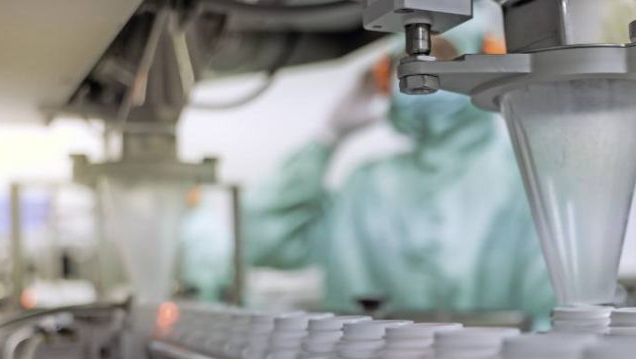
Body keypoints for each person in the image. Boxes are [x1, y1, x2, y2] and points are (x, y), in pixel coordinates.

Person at [185, 18, 555, 319]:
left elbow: (554, 316)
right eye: (408, 65)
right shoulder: (366, 187)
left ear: (484, 67)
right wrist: (327, 137)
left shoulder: (522, 178)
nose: (428, 77)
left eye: (444, 58)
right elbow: (260, 239)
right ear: (385, 82)